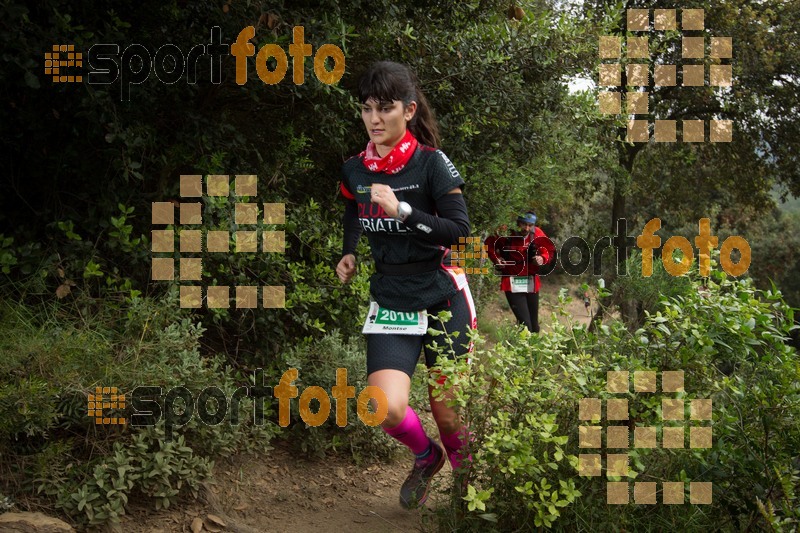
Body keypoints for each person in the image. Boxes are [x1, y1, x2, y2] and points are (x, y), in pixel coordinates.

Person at [335, 61, 476, 509]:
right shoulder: (355, 170)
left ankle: (470, 492)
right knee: (383, 406)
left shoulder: (431, 163)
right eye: (367, 109)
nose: (375, 119)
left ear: (409, 110)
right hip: (393, 296)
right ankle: (426, 456)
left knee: (448, 413)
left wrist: (403, 212)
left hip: (441, 292)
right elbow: (352, 210)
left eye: (386, 108)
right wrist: (350, 250)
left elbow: (459, 230)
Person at [485, 212, 554, 333]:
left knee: (534, 326)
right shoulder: (505, 231)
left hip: (531, 281)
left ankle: (532, 350)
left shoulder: (536, 233)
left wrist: (542, 258)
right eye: (523, 224)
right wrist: (496, 259)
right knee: (525, 325)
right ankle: (521, 349)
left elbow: (549, 249)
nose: (526, 228)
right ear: (517, 223)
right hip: (512, 282)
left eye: (530, 225)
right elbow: (488, 244)